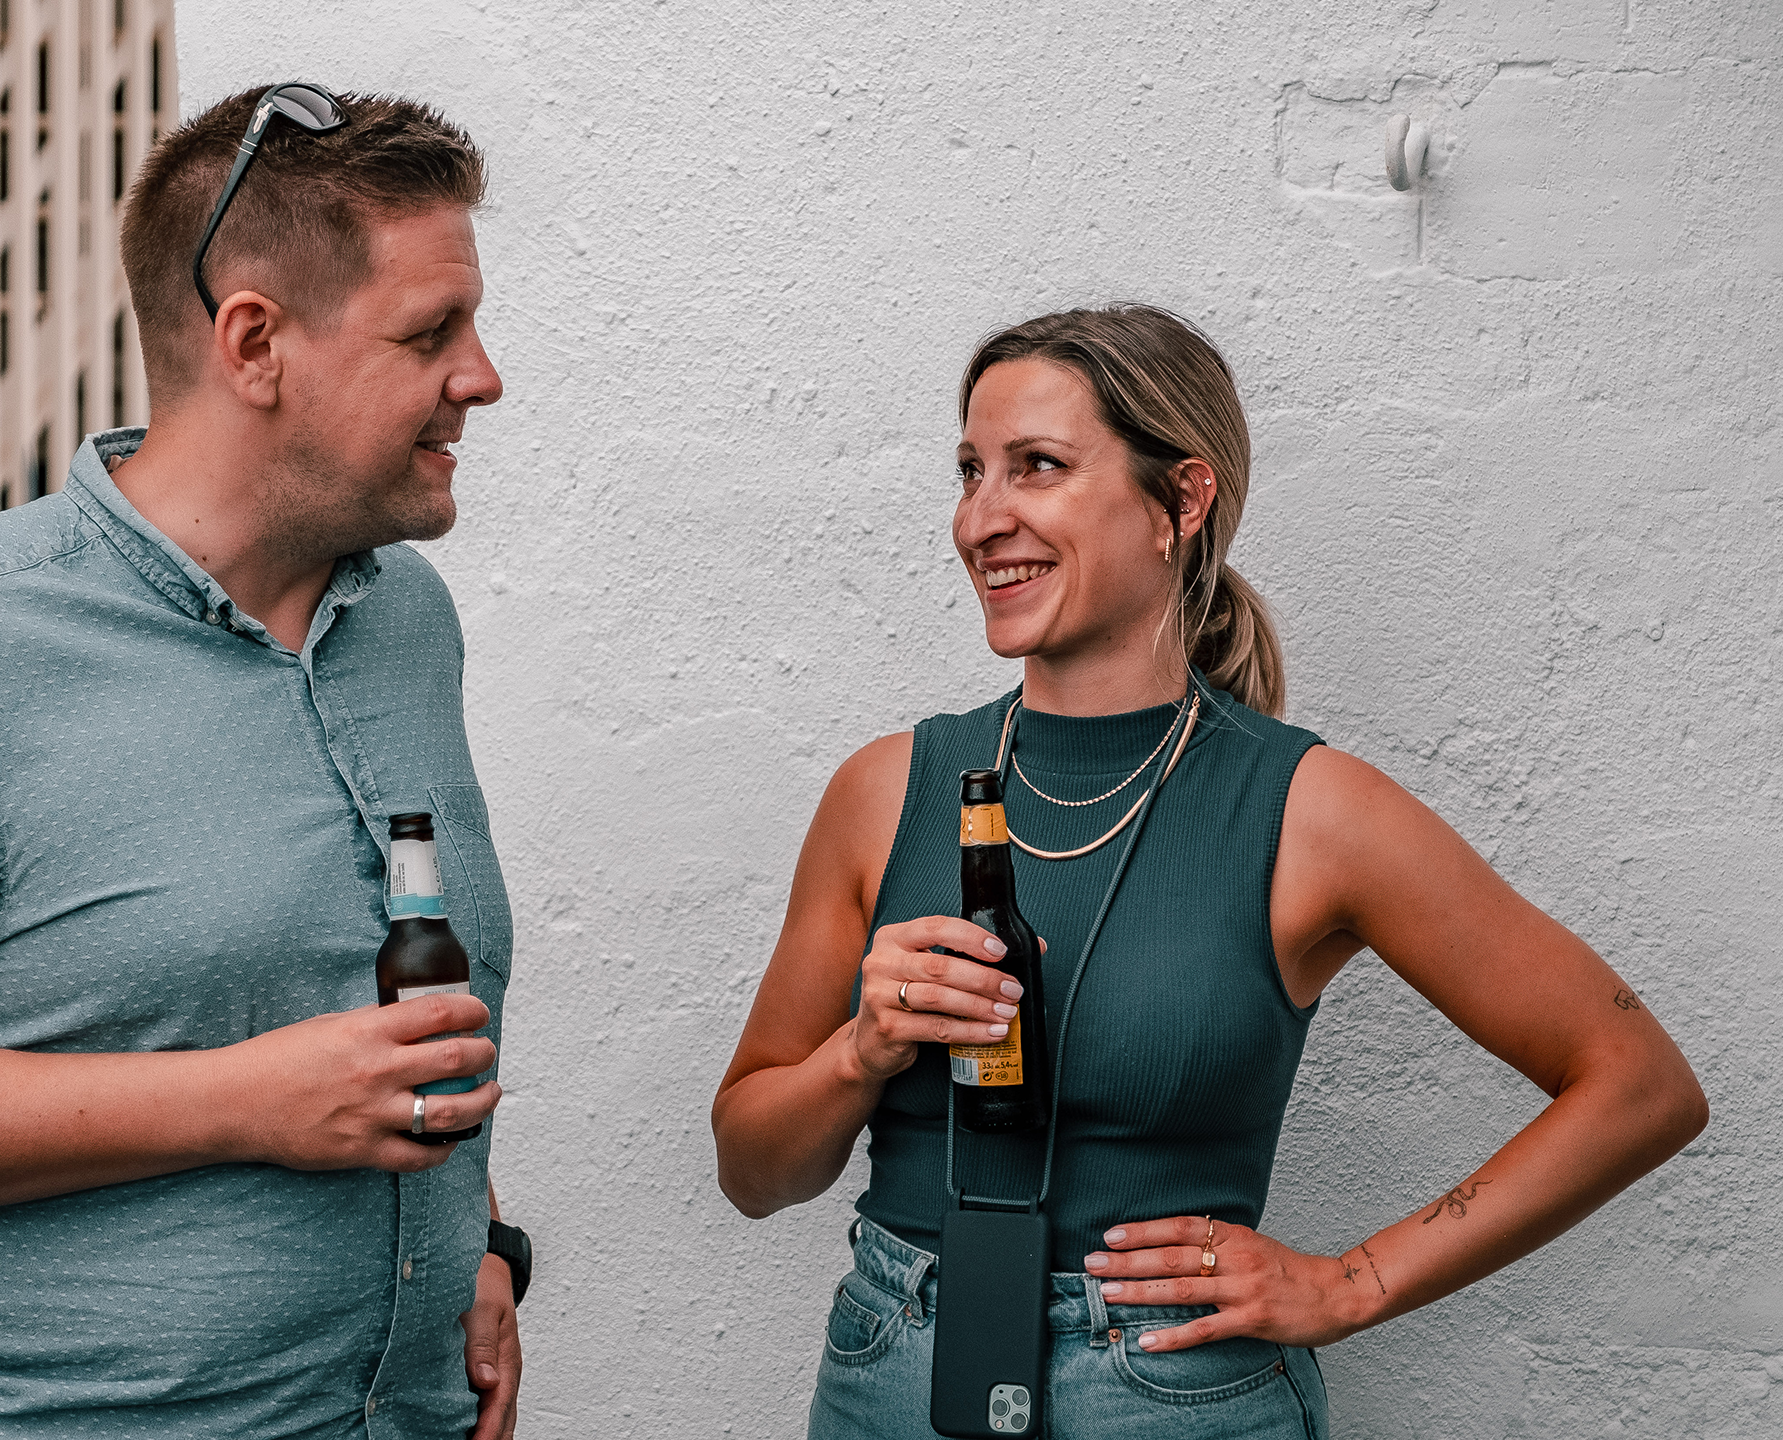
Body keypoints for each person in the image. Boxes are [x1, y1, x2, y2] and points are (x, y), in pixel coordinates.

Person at [709, 305, 1707, 1437]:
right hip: (892, 1371)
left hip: (1175, 1396)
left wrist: (1351, 1282)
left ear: (1182, 502)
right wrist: (859, 1051)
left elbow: (1638, 1083)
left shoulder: (1310, 811)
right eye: (969, 471)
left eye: (1037, 467)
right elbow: (753, 1170)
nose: (983, 519)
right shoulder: (885, 790)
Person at [0, 85, 530, 1439]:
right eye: (430, 330)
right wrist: (245, 1101)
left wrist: (482, 1246)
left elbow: (381, 998)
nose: (482, 373)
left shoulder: (404, 624)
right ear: (253, 341)